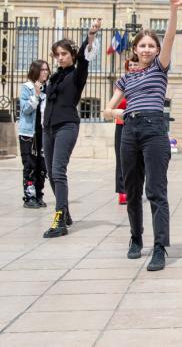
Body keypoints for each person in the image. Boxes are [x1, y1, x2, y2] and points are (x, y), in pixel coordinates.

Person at [103, 0, 182, 271]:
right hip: (129, 130)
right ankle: (135, 238)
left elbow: (169, 37)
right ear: (135, 50)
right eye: (142, 46)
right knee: (131, 189)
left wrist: (174, 9)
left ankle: (159, 247)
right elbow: (107, 110)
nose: (146, 50)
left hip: (154, 129)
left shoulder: (159, 68)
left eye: (150, 46)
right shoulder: (126, 78)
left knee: (156, 189)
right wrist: (123, 111)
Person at [42, 22, 99, 238]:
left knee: (58, 171)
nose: (60, 58)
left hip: (67, 126)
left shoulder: (77, 75)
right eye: (57, 54)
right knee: (50, 174)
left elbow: (84, 58)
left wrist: (90, 35)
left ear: (72, 55)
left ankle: (59, 221)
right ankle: (65, 212)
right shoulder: (55, 77)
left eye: (64, 54)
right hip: (48, 128)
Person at [18, 60, 50, 209]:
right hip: (28, 134)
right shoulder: (27, 87)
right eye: (42, 70)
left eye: (46, 70)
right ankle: (29, 197)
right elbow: (25, 109)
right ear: (35, 71)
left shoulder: (48, 88)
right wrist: (36, 95)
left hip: (43, 133)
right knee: (30, 165)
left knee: (42, 166)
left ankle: (38, 194)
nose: (45, 72)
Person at [113, 59, 137, 206]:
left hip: (138, 124)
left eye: (136, 64)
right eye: (131, 65)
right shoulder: (121, 83)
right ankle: (122, 191)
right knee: (121, 159)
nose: (133, 67)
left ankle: (134, 189)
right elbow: (115, 104)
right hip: (122, 124)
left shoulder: (144, 80)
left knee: (137, 160)